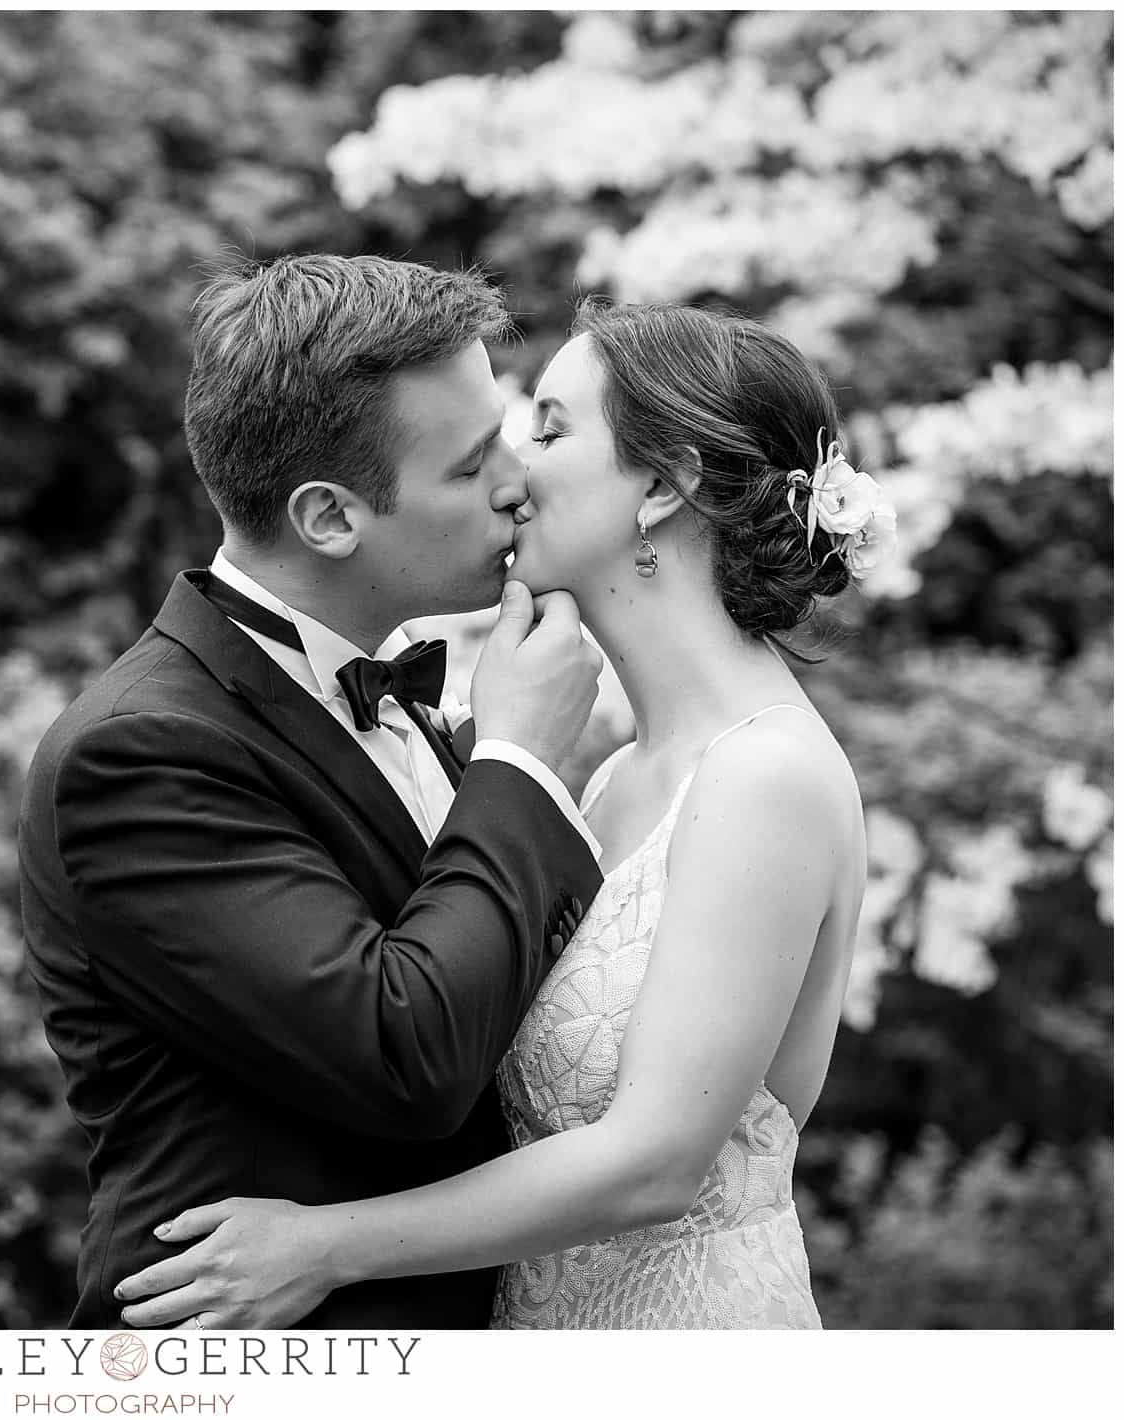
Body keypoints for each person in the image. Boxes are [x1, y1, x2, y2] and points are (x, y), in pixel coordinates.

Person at [112, 300, 886, 1329]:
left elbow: (655, 1160)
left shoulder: (766, 774)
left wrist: (322, 1246)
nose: (512, 472)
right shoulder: (612, 779)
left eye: (552, 429)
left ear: (664, 485)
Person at [17, 253, 607, 1328]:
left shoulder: (400, 702)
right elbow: (405, 1055)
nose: (518, 482)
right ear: (330, 517)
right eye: (471, 465)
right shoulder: (143, 754)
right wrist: (517, 764)